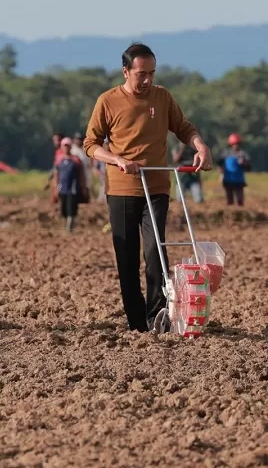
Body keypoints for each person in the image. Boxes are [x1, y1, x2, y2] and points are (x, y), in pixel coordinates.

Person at [84, 42, 212, 333]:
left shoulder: (162, 97)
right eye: (141, 74)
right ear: (126, 71)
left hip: (156, 186)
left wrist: (200, 146)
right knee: (127, 256)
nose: (147, 80)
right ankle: (135, 321)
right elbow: (91, 144)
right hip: (122, 189)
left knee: (156, 251)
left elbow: (184, 127)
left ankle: (158, 315)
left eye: (151, 73)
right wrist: (117, 159)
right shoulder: (108, 101)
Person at [52, 137, 88, 232]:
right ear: (62, 147)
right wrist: (55, 188)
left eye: (68, 146)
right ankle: (66, 225)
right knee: (64, 208)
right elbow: (56, 175)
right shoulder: (59, 160)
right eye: (64, 146)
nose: (66, 148)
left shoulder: (76, 160)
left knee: (71, 207)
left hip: (73, 188)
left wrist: (83, 187)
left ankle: (69, 228)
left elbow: (81, 174)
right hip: (62, 187)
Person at [217, 133, 251, 206]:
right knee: (229, 200)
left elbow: (249, 167)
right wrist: (220, 169)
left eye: (237, 144)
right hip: (228, 180)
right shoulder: (225, 154)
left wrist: (243, 163)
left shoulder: (243, 154)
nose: (236, 146)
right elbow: (219, 164)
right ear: (231, 144)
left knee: (240, 200)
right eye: (234, 144)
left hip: (239, 181)